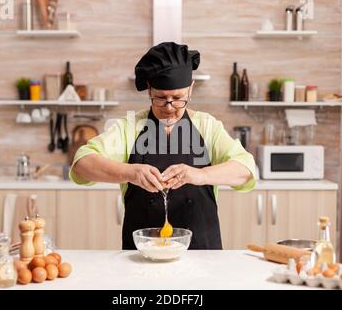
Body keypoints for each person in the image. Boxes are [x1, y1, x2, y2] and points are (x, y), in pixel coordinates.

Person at [70, 42, 257, 249]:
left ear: (190, 89)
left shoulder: (207, 126)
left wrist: (201, 175)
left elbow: (245, 169)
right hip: (141, 255)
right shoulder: (130, 128)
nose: (169, 108)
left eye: (178, 98)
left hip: (203, 254)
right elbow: (82, 164)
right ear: (149, 90)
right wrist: (129, 172)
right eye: (160, 98)